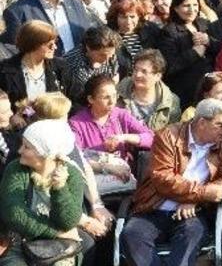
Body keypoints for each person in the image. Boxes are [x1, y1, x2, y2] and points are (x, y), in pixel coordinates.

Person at [120, 99, 222, 266]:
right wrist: (200, 194)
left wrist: (194, 201)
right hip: (154, 208)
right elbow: (163, 179)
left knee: (190, 237)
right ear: (202, 122)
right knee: (131, 236)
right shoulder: (167, 136)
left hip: (194, 213)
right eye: (221, 124)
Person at [0, 120, 86, 266]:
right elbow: (14, 213)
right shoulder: (15, 169)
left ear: (46, 154)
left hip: (59, 246)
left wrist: (60, 188)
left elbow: (68, 221)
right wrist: (55, 232)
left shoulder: (72, 175)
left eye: (27, 147)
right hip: (19, 242)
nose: (20, 150)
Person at [69, 73, 153, 166]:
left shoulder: (121, 115)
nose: (112, 101)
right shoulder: (76, 123)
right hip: (93, 174)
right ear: (91, 99)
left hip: (123, 173)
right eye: (106, 97)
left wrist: (123, 137)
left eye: (114, 96)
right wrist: (106, 168)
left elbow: (151, 138)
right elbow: (76, 158)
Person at [158, 0, 214, 106]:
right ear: (176, 8)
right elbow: (169, 66)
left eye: (195, 5)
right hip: (186, 92)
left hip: (209, 88)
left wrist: (209, 41)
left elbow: (221, 50)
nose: (192, 9)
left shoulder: (204, 24)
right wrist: (194, 53)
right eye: (186, 5)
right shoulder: (168, 32)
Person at [0, 20, 66, 107]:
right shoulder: (5, 70)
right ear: (34, 44)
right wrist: (13, 116)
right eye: (50, 44)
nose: (55, 47)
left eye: (55, 43)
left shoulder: (60, 67)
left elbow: (73, 100)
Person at [116, 48, 181, 131]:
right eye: (136, 69)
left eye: (144, 72)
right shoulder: (118, 93)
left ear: (158, 76)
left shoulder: (170, 102)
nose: (138, 75)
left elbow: (170, 136)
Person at [60, 26, 121, 108]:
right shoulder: (70, 64)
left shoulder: (110, 56)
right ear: (88, 47)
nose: (107, 59)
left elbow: (114, 77)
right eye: (102, 55)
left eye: (111, 55)